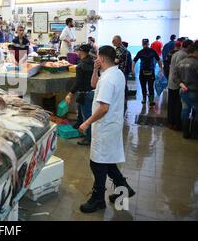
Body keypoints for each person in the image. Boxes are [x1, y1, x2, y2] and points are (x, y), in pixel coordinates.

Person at [78, 46, 135, 213]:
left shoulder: (109, 79)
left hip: (105, 125)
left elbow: (103, 108)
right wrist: (95, 70)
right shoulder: (115, 73)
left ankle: (97, 199)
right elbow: (93, 84)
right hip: (112, 124)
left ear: (101, 59)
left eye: (97, 59)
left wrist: (86, 122)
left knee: (97, 163)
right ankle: (124, 188)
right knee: (108, 160)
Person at [65, 44, 95, 146]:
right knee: (87, 114)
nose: (76, 53)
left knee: (87, 116)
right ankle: (81, 129)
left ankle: (88, 138)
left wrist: (70, 94)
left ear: (81, 52)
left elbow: (78, 83)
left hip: (84, 93)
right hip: (93, 92)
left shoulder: (80, 66)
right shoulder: (93, 62)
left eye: (77, 51)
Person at [167, 39, 193, 131]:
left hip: (171, 83)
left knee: (171, 104)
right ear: (188, 46)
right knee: (178, 106)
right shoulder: (183, 55)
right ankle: (177, 124)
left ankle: (170, 122)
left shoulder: (176, 53)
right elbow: (179, 70)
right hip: (177, 84)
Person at [173, 41, 198, 138]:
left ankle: (185, 134)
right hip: (195, 91)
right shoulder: (196, 63)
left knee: (185, 111)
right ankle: (195, 134)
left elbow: (175, 77)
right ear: (195, 52)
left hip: (183, 91)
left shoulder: (180, 63)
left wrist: (181, 84)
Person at [132, 39, 163, 106]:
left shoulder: (153, 51)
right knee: (143, 86)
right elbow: (134, 60)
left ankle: (151, 100)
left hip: (151, 71)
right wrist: (132, 69)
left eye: (146, 43)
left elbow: (158, 60)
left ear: (148, 44)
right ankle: (144, 98)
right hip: (142, 71)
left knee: (151, 86)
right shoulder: (140, 52)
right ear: (142, 44)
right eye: (144, 44)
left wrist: (161, 68)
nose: (145, 45)